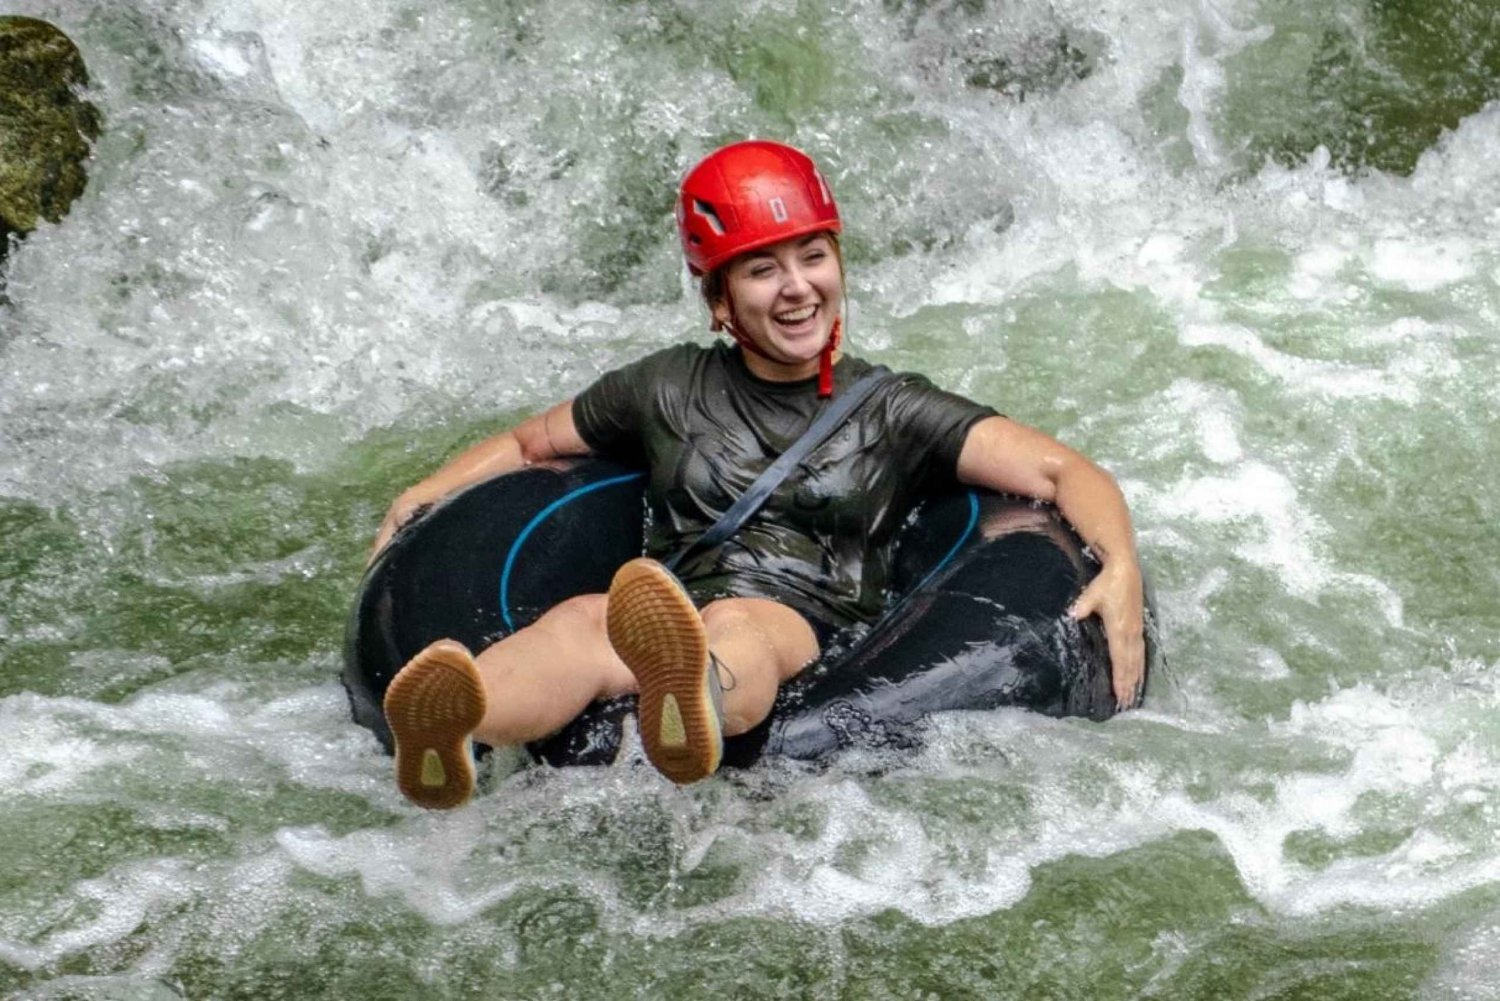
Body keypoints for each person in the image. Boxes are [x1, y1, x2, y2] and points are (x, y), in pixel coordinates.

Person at [371, 140, 1145, 810]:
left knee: (738, 629)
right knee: (577, 621)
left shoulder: (896, 409)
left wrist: (1120, 567)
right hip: (664, 613)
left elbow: (1062, 471)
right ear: (718, 298)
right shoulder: (664, 386)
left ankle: (692, 702)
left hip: (799, 621)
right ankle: (457, 714)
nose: (797, 287)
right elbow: (532, 443)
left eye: (813, 257)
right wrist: (427, 490)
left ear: (839, 264)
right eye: (763, 270)